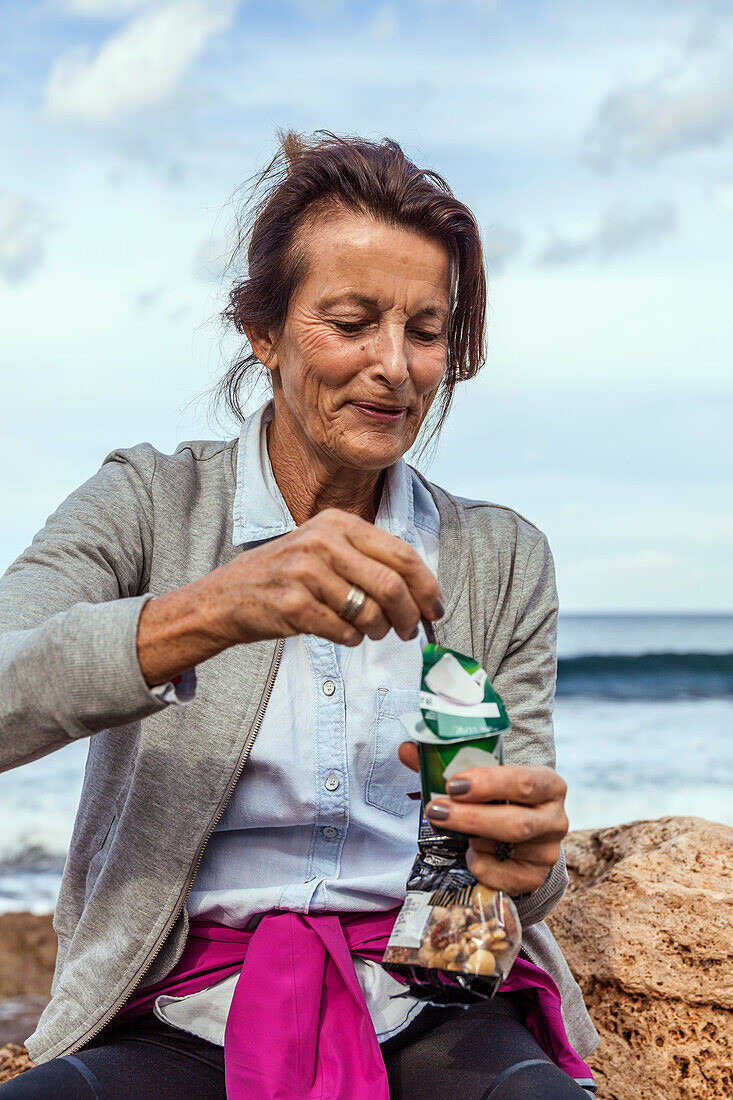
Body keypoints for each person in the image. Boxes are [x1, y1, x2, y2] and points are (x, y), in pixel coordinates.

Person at [0, 131, 599, 1099]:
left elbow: (511, 868)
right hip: (176, 998)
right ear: (263, 330)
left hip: (437, 987)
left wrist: (527, 857)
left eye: (427, 330)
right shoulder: (147, 503)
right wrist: (204, 611)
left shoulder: (499, 556)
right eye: (352, 320)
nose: (394, 367)